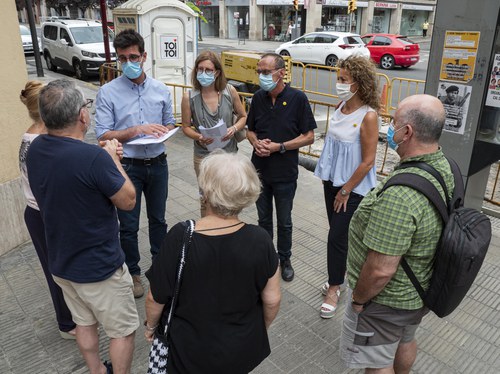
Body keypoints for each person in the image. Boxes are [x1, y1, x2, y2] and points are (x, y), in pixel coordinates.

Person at [26, 79, 140, 374]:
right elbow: (128, 201)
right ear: (82, 116)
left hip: (62, 262)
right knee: (122, 331)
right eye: (86, 106)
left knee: (83, 322)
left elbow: (72, 167)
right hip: (99, 267)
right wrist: (113, 160)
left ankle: (96, 370)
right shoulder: (93, 159)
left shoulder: (36, 148)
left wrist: (101, 156)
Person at [340, 94, 453, 373]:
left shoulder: (400, 197)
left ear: (408, 132)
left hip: (387, 300)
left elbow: (380, 271)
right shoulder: (445, 167)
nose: (389, 129)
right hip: (419, 290)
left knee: (377, 364)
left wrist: (359, 300)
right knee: (405, 340)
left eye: (393, 123)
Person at [144, 150, 281, 373]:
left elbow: (155, 297)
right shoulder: (261, 239)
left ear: (205, 192)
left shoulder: (181, 236)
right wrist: (255, 332)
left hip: (188, 353)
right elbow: (272, 300)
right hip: (239, 352)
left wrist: (150, 326)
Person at [95, 29, 176, 298]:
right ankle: (134, 272)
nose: (128, 62)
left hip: (158, 163)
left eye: (133, 56)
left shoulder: (161, 89)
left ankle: (160, 269)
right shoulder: (108, 92)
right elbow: (103, 135)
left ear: (144, 56)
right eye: (122, 58)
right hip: (127, 166)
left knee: (158, 220)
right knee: (128, 225)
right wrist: (136, 130)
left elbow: (169, 123)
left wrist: (166, 129)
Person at [314, 56, 380, 319]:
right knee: (339, 235)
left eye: (344, 79)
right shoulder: (341, 106)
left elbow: (368, 161)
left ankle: (334, 287)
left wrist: (345, 190)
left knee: (336, 238)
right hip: (331, 181)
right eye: (338, 78)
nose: (339, 83)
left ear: (359, 83)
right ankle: (339, 275)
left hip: (352, 188)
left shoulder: (369, 116)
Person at [247, 53, 316, 282]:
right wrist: (255, 141)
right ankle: (268, 259)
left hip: (285, 173)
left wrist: (280, 147)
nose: (261, 76)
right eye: (259, 72)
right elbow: (250, 129)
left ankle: (284, 258)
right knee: (263, 219)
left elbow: (308, 137)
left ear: (281, 73)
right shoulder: (258, 98)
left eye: (266, 72)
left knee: (284, 221)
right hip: (259, 171)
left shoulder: (298, 99)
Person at [18, 81, 77, 340]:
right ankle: (67, 323)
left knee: (56, 267)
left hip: (38, 212)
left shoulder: (29, 136)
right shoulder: (39, 142)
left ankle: (72, 317)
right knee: (57, 271)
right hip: (44, 214)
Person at [181, 50, 247, 216]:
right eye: (200, 69)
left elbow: (243, 116)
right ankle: (208, 234)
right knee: (207, 198)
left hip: (228, 155)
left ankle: (229, 233)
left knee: (229, 196)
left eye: (208, 70)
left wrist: (234, 128)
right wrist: (199, 137)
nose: (203, 73)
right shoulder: (189, 97)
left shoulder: (229, 91)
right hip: (203, 157)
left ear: (217, 72)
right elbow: (186, 127)